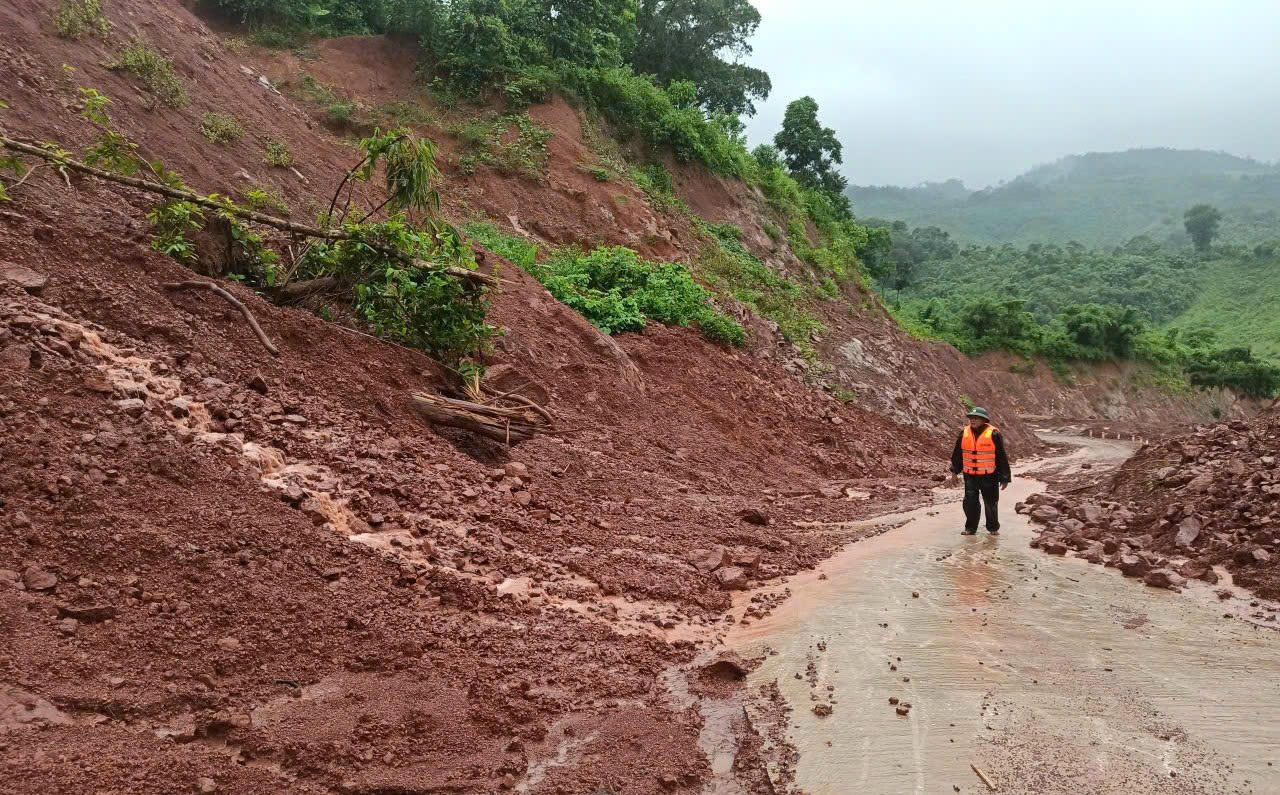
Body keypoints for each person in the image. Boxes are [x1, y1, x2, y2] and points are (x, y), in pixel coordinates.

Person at [948, 407, 1011, 535]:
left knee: (991, 503)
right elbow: (957, 454)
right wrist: (954, 472)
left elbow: (1001, 457)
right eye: (971, 418)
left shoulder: (994, 434)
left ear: (984, 420)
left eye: (976, 418)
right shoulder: (964, 433)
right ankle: (970, 529)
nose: (973, 420)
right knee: (970, 503)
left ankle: (993, 529)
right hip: (970, 476)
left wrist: (1004, 478)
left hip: (989, 476)